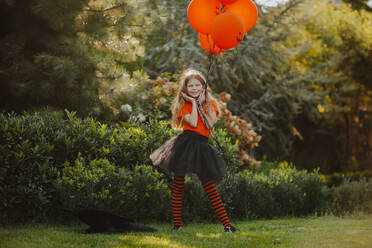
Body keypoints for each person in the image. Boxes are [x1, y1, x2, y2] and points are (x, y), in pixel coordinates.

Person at [155, 68, 236, 233]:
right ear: (185, 89)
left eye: (197, 85)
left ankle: (227, 226)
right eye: (190, 86)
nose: (193, 88)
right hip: (185, 144)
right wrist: (193, 103)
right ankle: (177, 225)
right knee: (178, 184)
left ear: (203, 87)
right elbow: (192, 122)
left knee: (209, 186)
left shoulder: (211, 103)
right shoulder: (183, 104)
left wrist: (202, 103)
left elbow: (210, 124)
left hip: (201, 146)